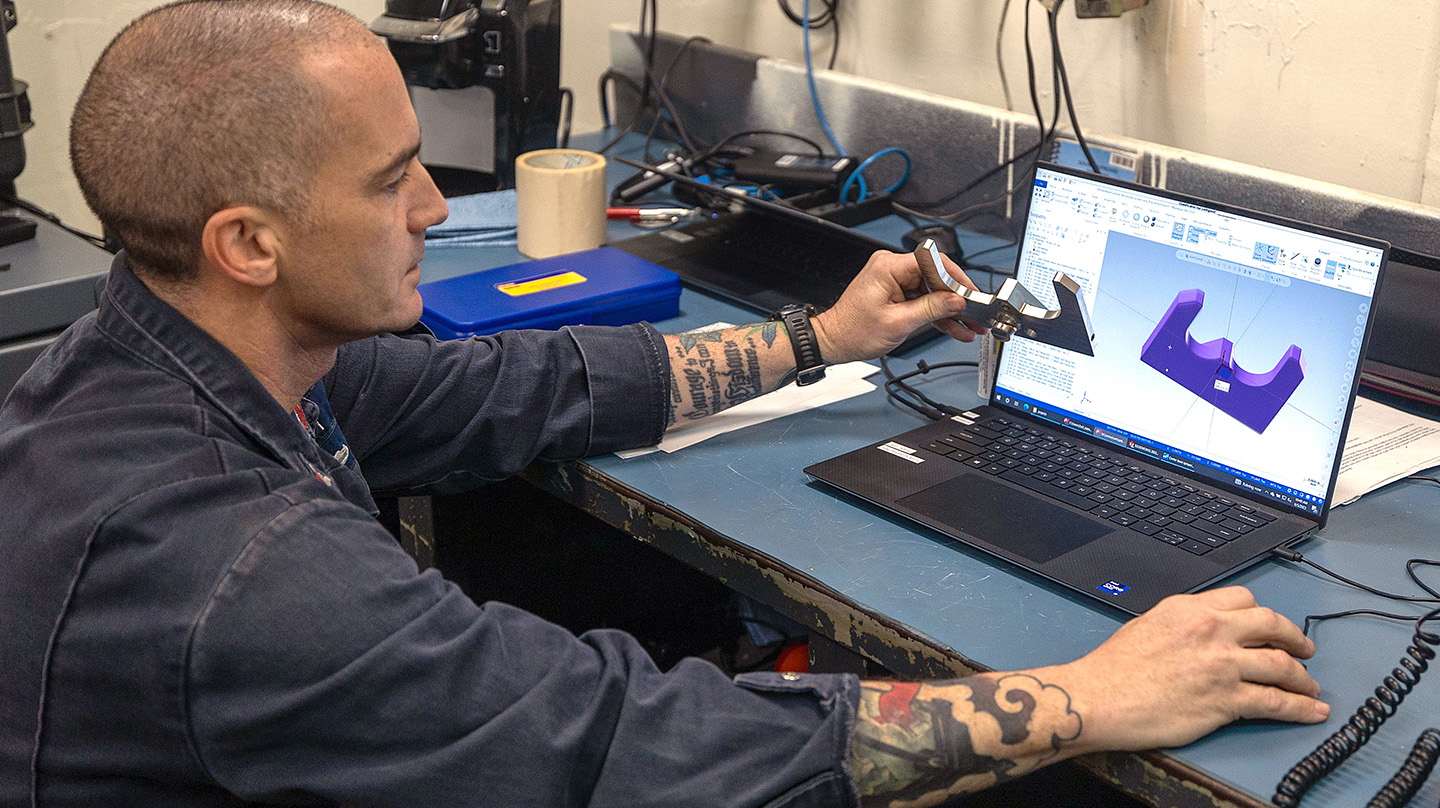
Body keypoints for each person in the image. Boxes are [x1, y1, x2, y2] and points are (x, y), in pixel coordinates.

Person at [0, 1, 1329, 806]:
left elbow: (511, 386)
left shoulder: (169, 354)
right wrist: (1088, 697)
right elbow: (615, 747)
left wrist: (818, 340)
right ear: (247, 242)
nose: (428, 208)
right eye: (389, 179)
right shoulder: (243, 569)